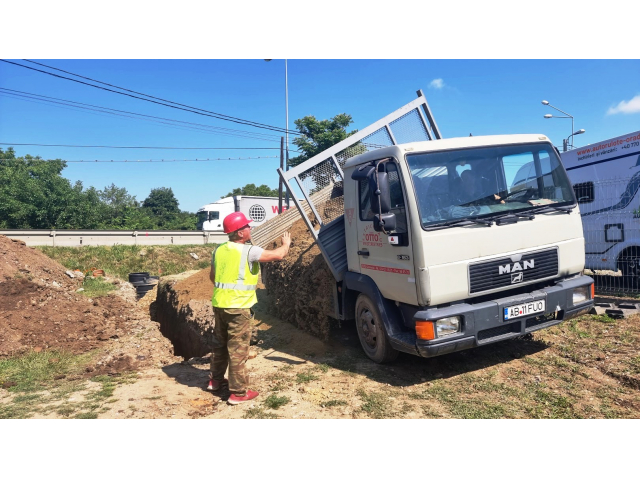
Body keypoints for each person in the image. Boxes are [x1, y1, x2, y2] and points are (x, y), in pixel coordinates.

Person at [207, 211, 291, 405]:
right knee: (237, 350)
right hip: (238, 308)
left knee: (219, 344)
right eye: (246, 227)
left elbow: (213, 277)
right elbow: (277, 255)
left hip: (220, 304)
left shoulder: (218, 250)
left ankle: (215, 381)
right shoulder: (248, 251)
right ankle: (238, 392)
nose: (249, 229)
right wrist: (286, 244)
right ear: (238, 233)